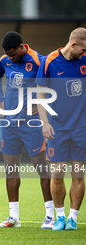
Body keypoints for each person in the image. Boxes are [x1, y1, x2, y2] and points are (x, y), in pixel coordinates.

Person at [0, 32, 53, 228]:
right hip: (10, 124)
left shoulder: (39, 61)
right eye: (6, 54)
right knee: (10, 170)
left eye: (12, 54)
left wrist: (41, 102)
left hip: (31, 124)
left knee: (42, 169)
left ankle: (51, 216)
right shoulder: (4, 60)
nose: (9, 57)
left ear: (21, 47)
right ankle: (13, 218)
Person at [36, 27, 86, 230]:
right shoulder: (49, 61)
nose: (84, 53)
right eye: (83, 50)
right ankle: (59, 216)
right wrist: (44, 123)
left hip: (82, 129)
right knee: (57, 174)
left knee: (79, 174)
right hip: (57, 129)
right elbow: (39, 95)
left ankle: (73, 218)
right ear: (73, 44)